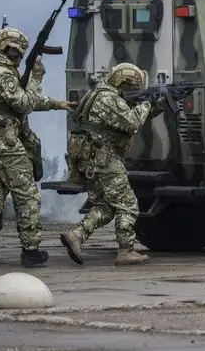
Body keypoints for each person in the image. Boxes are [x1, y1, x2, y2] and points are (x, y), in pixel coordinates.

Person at [0, 27, 74, 270]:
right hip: (5, 142)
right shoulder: (2, 73)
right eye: (16, 50)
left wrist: (56, 104)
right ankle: (30, 250)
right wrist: (37, 78)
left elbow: (10, 103)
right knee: (28, 195)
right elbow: (23, 103)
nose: (18, 55)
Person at [59, 62, 164, 266]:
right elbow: (132, 123)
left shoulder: (98, 94)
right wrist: (147, 103)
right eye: (131, 87)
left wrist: (156, 104)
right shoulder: (109, 98)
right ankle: (125, 250)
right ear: (122, 82)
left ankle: (76, 235)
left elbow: (130, 119)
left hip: (92, 159)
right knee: (128, 205)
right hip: (103, 159)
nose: (133, 91)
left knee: (106, 206)